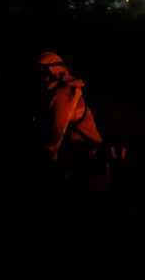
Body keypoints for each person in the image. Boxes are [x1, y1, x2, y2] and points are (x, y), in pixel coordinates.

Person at [33, 51, 110, 200]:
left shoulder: (63, 93)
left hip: (89, 169)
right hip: (91, 164)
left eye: (40, 73)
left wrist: (47, 162)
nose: (39, 79)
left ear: (50, 71)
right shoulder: (68, 90)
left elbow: (56, 133)